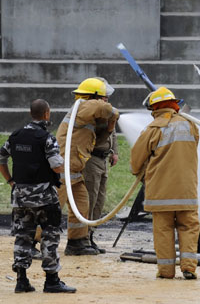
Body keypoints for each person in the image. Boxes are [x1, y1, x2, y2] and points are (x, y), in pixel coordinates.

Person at [0, 99, 76, 293]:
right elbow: (56, 166)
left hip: (20, 196)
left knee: (22, 236)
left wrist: (10, 181)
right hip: (44, 198)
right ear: (46, 114)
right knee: (50, 236)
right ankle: (52, 280)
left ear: (30, 113)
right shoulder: (46, 138)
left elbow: (1, 158)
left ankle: (21, 280)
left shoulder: (15, 136)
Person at [130, 87, 200, 280]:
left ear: (154, 108)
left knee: (163, 231)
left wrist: (140, 172)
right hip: (187, 191)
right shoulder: (190, 125)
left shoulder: (152, 130)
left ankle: (166, 271)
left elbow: (136, 161)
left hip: (160, 194)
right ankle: (189, 268)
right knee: (189, 228)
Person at [56, 77, 119, 255]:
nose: (106, 99)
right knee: (52, 208)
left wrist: (109, 127)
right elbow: (106, 109)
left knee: (82, 206)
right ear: (94, 96)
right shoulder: (84, 105)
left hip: (74, 169)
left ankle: (76, 243)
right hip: (62, 169)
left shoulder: (87, 113)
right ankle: (30, 243)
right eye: (103, 96)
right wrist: (115, 114)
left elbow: (99, 138)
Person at [83, 82, 119, 255]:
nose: (107, 99)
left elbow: (113, 135)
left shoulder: (106, 112)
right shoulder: (92, 114)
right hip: (92, 160)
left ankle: (90, 235)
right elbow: (100, 135)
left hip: (103, 160)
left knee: (99, 201)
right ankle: (82, 237)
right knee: (90, 199)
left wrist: (115, 152)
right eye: (104, 96)